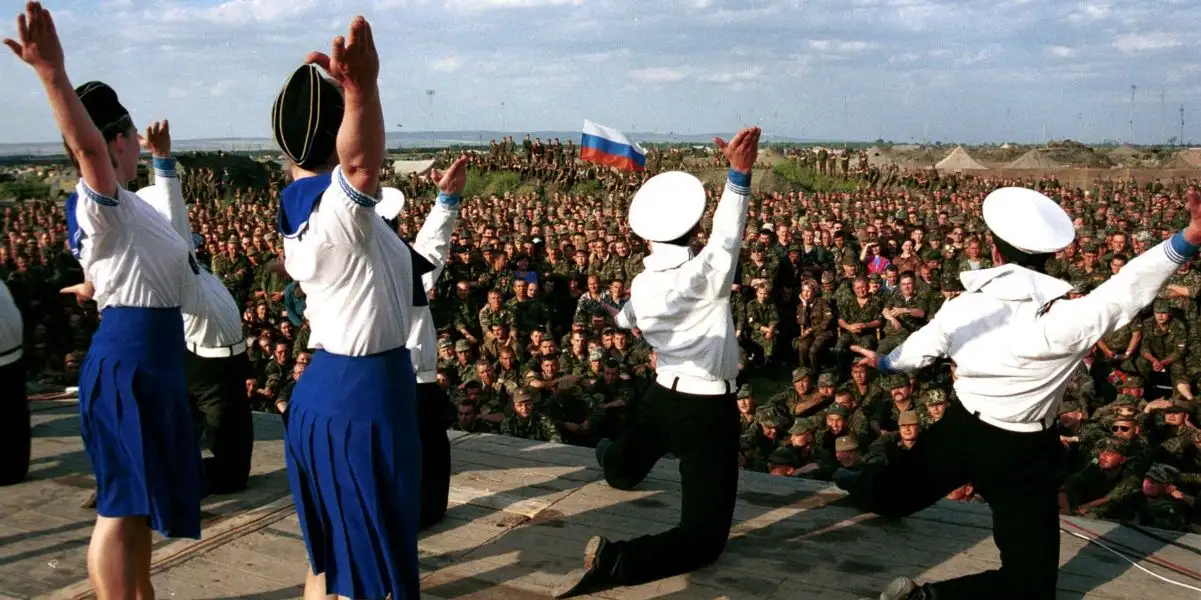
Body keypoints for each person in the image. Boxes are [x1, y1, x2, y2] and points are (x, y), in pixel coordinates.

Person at [842, 186, 1201, 600]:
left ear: (994, 256)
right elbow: (1128, 288)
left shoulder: (962, 307)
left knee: (896, 495)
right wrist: (1188, 237)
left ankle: (854, 482)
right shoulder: (1065, 320)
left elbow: (915, 352)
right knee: (1031, 587)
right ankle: (928, 598)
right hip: (1023, 451)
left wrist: (883, 362)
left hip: (960, 430)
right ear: (1050, 259)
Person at [5, 4, 203, 599]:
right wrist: (51, 75)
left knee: (136, 505)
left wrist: (97, 286)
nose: (138, 144)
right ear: (116, 138)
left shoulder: (128, 204)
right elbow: (89, 155)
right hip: (133, 363)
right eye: (131, 136)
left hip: (149, 357)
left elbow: (150, 258)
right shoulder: (101, 198)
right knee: (119, 507)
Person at [554, 127, 760, 598]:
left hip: (661, 395)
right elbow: (728, 238)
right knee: (705, 540)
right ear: (694, 230)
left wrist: (617, 316)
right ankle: (617, 560)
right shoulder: (704, 276)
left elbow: (628, 316)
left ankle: (612, 458)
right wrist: (738, 177)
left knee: (624, 469)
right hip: (707, 412)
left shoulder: (642, 285)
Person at [272, 16, 432, 600]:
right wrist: (363, 91)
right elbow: (361, 169)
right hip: (364, 398)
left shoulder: (307, 210)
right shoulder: (342, 217)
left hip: (335, 392)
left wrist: (342, 100)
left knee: (336, 566)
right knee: (368, 581)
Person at [136, 121, 254, 495]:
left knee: (225, 435)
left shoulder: (188, 264)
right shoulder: (171, 263)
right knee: (223, 445)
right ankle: (175, 480)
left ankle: (172, 472)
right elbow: (174, 219)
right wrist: (163, 162)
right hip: (209, 363)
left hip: (222, 360)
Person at [375, 158, 469, 529]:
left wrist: (446, 202)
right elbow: (432, 248)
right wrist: (446, 202)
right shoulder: (405, 265)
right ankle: (422, 514)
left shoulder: (357, 267)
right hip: (414, 379)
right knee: (427, 449)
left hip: (381, 378)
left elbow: (430, 250)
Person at [0, 279, 28, 486]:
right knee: (15, 412)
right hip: (12, 346)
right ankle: (14, 468)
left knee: (11, 413)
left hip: (6, 349)